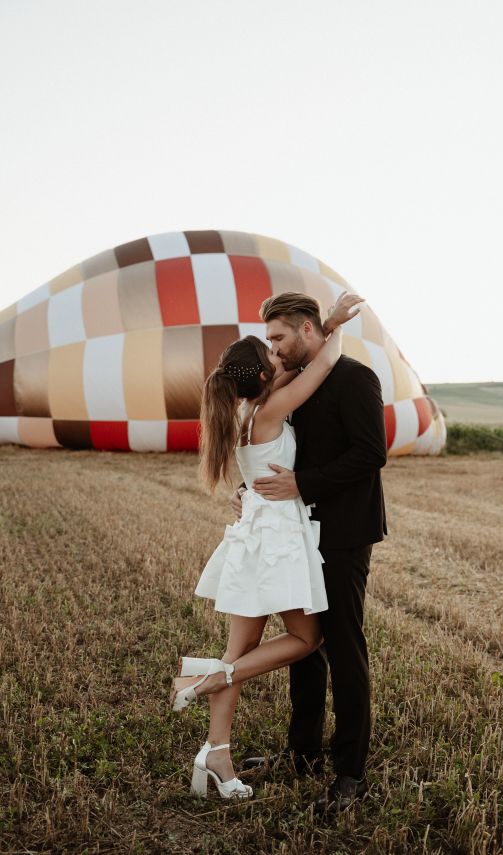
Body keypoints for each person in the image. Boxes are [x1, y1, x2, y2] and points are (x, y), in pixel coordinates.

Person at [169, 291, 363, 802]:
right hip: (276, 535)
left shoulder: (240, 413)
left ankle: (216, 755)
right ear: (261, 376)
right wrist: (334, 322)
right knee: (306, 639)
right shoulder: (272, 407)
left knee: (243, 643)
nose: (279, 357)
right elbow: (321, 363)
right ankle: (212, 678)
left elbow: (297, 369)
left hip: (252, 533)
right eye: (271, 354)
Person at [236, 291, 388, 812]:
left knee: (344, 646)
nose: (272, 351)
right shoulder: (295, 385)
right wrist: (252, 493)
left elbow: (372, 454)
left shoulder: (354, 377)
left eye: (278, 338)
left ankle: (350, 772)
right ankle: (302, 753)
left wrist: (305, 483)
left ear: (307, 330)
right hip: (297, 532)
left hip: (344, 531)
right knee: (304, 644)